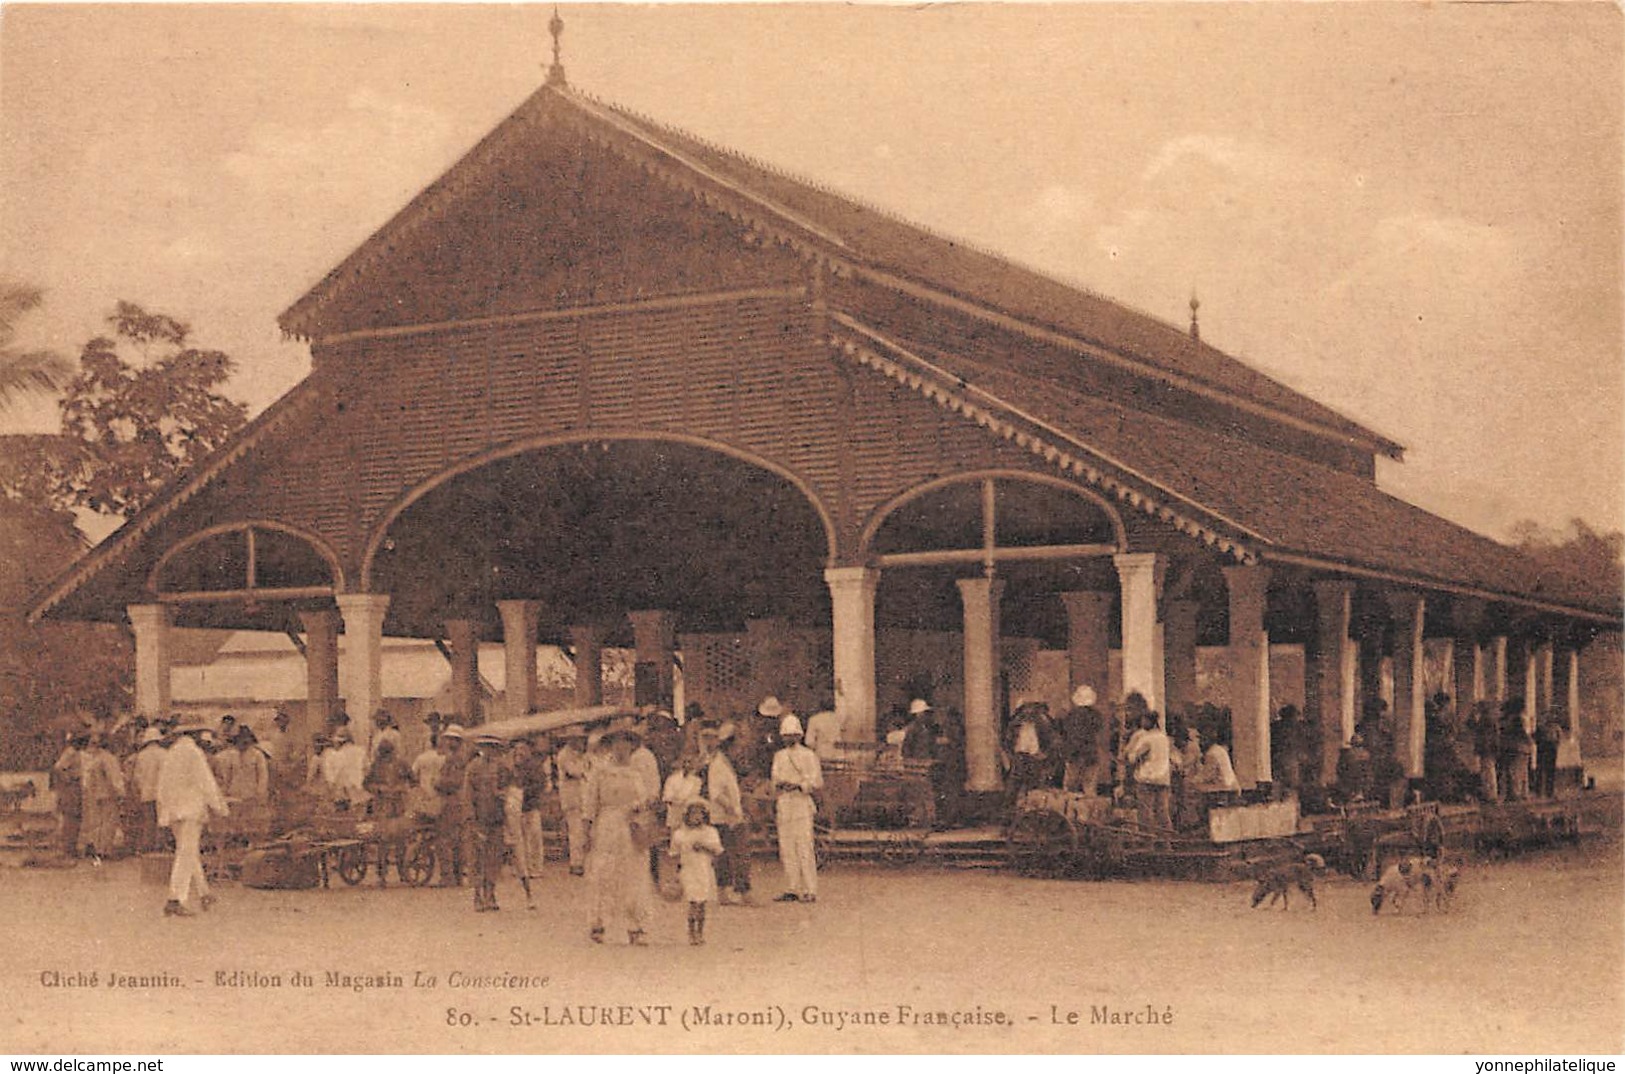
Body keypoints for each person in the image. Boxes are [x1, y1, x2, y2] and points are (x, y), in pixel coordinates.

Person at [583, 729, 657, 945]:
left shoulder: (637, 772)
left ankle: (635, 926)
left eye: (625, 744)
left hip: (631, 827)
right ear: (610, 746)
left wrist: (640, 808)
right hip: (606, 826)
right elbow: (589, 802)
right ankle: (598, 923)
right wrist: (587, 830)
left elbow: (647, 798)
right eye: (616, 744)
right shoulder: (600, 771)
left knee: (634, 874)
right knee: (604, 873)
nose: (621, 748)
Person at [155, 722, 229, 917]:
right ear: (194, 735)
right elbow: (206, 781)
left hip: (173, 811)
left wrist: (164, 810)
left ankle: (204, 892)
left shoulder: (171, 753)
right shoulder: (194, 753)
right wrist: (220, 807)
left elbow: (161, 785)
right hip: (190, 809)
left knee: (188, 851)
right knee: (186, 854)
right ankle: (175, 899)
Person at [771, 713, 823, 903]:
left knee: (804, 846)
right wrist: (780, 785)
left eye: (792, 735)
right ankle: (791, 887)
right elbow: (775, 778)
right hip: (785, 803)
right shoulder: (779, 756)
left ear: (799, 736)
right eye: (786, 735)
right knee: (786, 847)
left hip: (801, 803)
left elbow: (816, 781)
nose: (789, 738)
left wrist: (799, 785)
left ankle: (810, 889)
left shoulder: (809, 756)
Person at [702, 723, 752, 905]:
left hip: (728, 815)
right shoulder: (718, 765)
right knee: (737, 854)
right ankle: (739, 891)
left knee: (728, 855)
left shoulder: (724, 764)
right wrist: (732, 810)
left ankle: (729, 891)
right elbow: (716, 793)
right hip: (725, 817)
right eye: (736, 747)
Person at [464, 733, 511, 912]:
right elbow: (467, 795)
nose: (489, 751)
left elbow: (508, 789)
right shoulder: (473, 767)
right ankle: (477, 895)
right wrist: (471, 818)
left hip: (496, 818)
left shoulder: (501, 768)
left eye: (492, 747)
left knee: (493, 858)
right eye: (486, 747)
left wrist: (503, 797)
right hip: (478, 818)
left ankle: (490, 894)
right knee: (476, 858)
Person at [669, 800, 724, 945]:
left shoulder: (710, 832)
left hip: (704, 870)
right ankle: (691, 932)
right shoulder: (679, 834)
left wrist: (705, 847)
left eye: (700, 814)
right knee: (693, 901)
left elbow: (718, 851)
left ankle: (700, 932)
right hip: (688, 870)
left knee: (702, 903)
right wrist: (675, 875)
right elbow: (674, 854)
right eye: (693, 814)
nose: (696, 817)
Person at [507, 737, 548, 886]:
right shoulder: (512, 768)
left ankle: (535, 867)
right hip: (517, 807)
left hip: (531, 806)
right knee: (519, 839)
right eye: (517, 750)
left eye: (523, 750)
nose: (520, 753)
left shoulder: (535, 767)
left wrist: (524, 792)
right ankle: (521, 868)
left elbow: (539, 785)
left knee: (534, 838)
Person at [433, 724, 471, 886]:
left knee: (444, 840)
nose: (447, 742)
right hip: (459, 802)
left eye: (450, 739)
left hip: (452, 802)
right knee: (456, 841)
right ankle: (456, 876)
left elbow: (454, 782)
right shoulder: (460, 757)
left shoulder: (455, 759)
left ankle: (448, 876)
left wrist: (437, 783)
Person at [79, 734, 126, 859]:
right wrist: (121, 793)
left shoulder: (96, 759)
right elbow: (114, 778)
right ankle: (105, 850)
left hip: (96, 795)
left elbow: (89, 781)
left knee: (98, 823)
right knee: (109, 823)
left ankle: (97, 847)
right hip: (108, 795)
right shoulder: (110, 759)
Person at [1124, 708, 1171, 829]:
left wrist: (1128, 755)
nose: (1142, 723)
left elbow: (1134, 758)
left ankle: (1148, 841)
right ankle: (1167, 842)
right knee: (1162, 812)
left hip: (1146, 779)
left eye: (1144, 720)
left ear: (1149, 721)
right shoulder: (1164, 738)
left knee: (1145, 812)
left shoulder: (1147, 739)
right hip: (1163, 778)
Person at [554, 730, 591, 876]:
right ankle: (576, 863)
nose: (581, 743)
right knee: (575, 832)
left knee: (581, 831)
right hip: (571, 798)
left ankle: (582, 861)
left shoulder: (577, 755)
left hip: (580, 797)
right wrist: (584, 764)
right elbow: (575, 772)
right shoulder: (565, 755)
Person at [1060, 685, 1106, 795]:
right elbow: (1098, 731)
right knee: (1089, 785)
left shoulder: (1071, 715)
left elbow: (1066, 732)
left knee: (1071, 786)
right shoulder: (1096, 715)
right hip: (1090, 752)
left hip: (1073, 752)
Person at [129, 727, 168, 852]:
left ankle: (147, 845)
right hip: (161, 792)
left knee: (148, 820)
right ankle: (160, 844)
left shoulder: (141, 755)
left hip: (146, 792)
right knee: (161, 819)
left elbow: (137, 777)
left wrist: (140, 789)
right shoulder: (164, 754)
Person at [1004, 701, 1052, 801]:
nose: (1028, 712)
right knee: (1016, 780)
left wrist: (1044, 753)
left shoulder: (1042, 722)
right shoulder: (1016, 723)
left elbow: (1048, 738)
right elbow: (1009, 740)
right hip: (1020, 754)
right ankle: (1012, 803)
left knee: (1034, 782)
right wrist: (1011, 754)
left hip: (1035, 755)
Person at [322, 727, 368, 808]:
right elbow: (367, 769)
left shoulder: (335, 755)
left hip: (345, 794)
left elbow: (332, 780)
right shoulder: (361, 751)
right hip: (361, 791)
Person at [1498, 700, 1533, 802]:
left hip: (1513, 747)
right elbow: (1524, 733)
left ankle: (1515, 793)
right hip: (1521, 748)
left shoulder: (1510, 719)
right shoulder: (1521, 718)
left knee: (1513, 771)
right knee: (1521, 771)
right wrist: (1530, 742)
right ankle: (1522, 793)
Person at [1472, 700, 1501, 803]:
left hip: (1486, 749)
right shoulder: (1489, 720)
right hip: (1488, 749)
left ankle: (1490, 795)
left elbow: (1484, 737)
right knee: (1488, 771)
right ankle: (1490, 794)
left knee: (1488, 772)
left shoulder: (1485, 720)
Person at [1534, 715, 1562, 799]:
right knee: (1544, 770)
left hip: (1548, 748)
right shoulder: (1542, 727)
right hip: (1546, 748)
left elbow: (1559, 738)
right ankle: (1542, 792)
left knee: (1547, 771)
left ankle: (1546, 792)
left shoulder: (1553, 727)